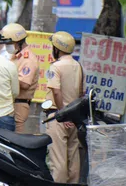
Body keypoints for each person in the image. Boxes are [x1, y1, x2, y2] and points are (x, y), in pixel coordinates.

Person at [45, 31, 83, 183]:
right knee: (73, 158)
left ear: (57, 48)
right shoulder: (77, 65)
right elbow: (80, 92)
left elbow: (56, 90)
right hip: (74, 117)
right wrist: (71, 115)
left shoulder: (55, 67)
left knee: (58, 160)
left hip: (58, 116)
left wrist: (62, 113)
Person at [0, 23, 40, 133]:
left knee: (16, 140)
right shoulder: (17, 56)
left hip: (19, 105)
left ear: (19, 42)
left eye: (10, 43)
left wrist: (4, 78)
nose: (7, 46)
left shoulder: (28, 59)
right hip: (12, 104)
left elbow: (25, 84)